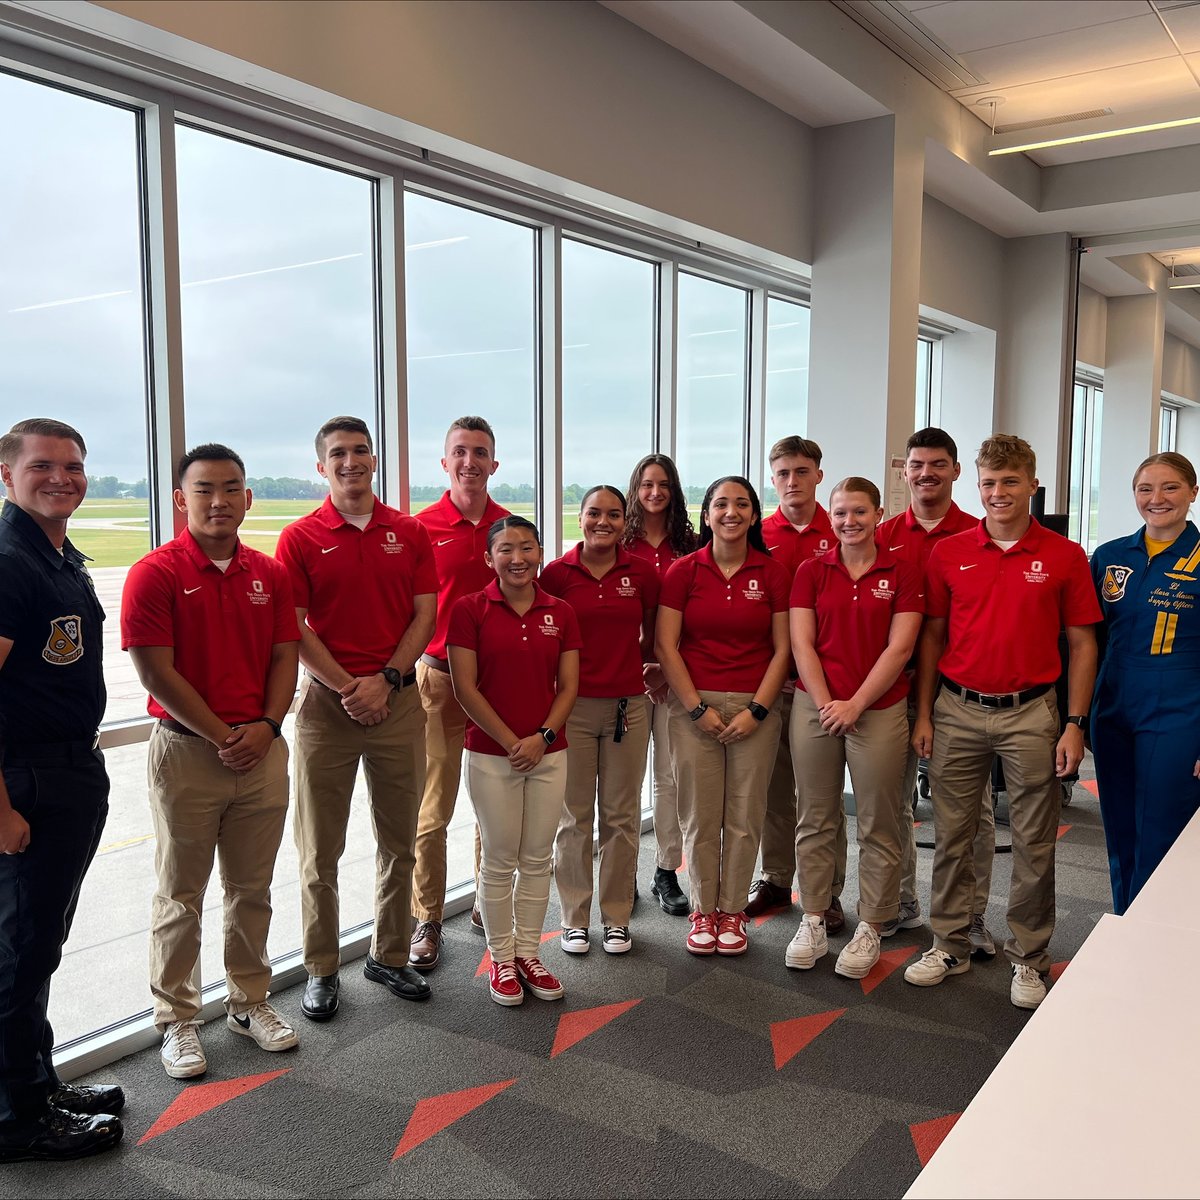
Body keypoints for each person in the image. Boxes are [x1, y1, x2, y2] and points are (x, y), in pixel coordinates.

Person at [122, 444, 301, 1077]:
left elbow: (285, 656)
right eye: (204, 490)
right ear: (181, 499)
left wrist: (268, 727)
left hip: (262, 751)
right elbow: (156, 673)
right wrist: (228, 735)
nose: (219, 501)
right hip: (188, 753)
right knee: (181, 893)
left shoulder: (269, 573)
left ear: (247, 498)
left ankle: (249, 1002)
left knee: (252, 890)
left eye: (231, 489)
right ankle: (177, 1018)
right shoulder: (155, 573)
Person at [905, 435, 1099, 1009]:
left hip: (1032, 713)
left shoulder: (1065, 555)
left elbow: (1083, 644)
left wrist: (1075, 723)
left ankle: (1030, 958)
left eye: (1010, 481)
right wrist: (924, 712)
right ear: (977, 484)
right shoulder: (950, 552)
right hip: (957, 709)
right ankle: (950, 943)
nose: (998, 493)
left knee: (1035, 841)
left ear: (1032, 485)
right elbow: (932, 637)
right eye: (989, 483)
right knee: (952, 836)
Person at [276, 417, 438, 1021]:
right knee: (319, 848)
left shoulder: (409, 531)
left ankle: (388, 955)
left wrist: (387, 679)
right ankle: (321, 968)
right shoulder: (299, 537)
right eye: (339, 453)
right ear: (322, 467)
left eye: (361, 451)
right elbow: (294, 627)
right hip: (328, 707)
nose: (352, 462)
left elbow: (425, 615)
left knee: (400, 840)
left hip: (398, 700)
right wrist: (350, 687)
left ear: (374, 460)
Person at [0, 419, 123, 1162]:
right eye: (42, 466)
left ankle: (36, 1085)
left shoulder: (55, 556)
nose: (61, 478)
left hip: (67, 772)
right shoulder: (9, 562)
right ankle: (15, 1119)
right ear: (7, 475)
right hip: (28, 780)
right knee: (17, 955)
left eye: (73, 466)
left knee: (39, 945)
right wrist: (1, 809)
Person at [786, 478, 923, 977]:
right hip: (816, 705)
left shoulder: (903, 572)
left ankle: (872, 924)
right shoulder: (811, 571)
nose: (849, 521)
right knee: (815, 817)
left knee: (879, 822)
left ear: (878, 514)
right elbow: (802, 644)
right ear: (831, 516)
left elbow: (900, 648)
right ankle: (814, 916)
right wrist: (829, 704)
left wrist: (856, 704)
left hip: (879, 708)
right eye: (841, 512)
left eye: (860, 512)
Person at [447, 517, 581, 1006]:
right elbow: (465, 688)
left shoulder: (560, 611)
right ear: (489, 558)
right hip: (491, 754)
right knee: (500, 860)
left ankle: (529, 953)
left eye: (527, 547)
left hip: (549, 753)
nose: (518, 558)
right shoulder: (469, 609)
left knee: (538, 858)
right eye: (506, 549)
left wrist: (541, 738)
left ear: (541, 552)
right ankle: (502, 958)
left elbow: (568, 686)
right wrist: (512, 742)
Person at [656, 476, 791, 957]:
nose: (730, 512)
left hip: (756, 708)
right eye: (720, 504)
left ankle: (732, 911)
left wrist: (758, 710)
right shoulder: (684, 571)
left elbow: (783, 650)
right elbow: (665, 646)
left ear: (754, 514)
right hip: (694, 707)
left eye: (741, 504)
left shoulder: (773, 573)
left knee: (745, 814)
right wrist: (695, 708)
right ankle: (703, 911)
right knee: (699, 815)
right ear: (707, 514)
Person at [875, 427, 996, 954]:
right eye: (917, 465)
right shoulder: (880, 535)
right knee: (892, 805)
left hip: (958, 695)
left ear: (956, 471)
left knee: (972, 814)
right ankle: (900, 901)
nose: (927, 474)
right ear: (905, 471)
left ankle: (969, 915)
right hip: (890, 692)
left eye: (938, 464)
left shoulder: (978, 534)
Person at [409, 417, 510, 970]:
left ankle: (484, 902)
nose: (470, 461)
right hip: (440, 680)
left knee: (493, 802)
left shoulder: (509, 528)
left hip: (497, 682)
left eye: (480, 452)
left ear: (494, 463)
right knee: (434, 807)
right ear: (445, 462)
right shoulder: (419, 529)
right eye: (460, 452)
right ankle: (426, 917)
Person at [542, 486, 658, 955]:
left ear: (624, 521)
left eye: (613, 514)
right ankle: (574, 918)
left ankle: (616, 918)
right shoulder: (557, 573)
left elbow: (650, 635)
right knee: (573, 816)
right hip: (572, 708)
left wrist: (633, 669)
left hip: (628, 707)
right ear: (580, 518)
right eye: (594, 513)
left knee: (621, 816)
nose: (603, 522)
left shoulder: (642, 573)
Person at [744, 438, 848, 932]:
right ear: (772, 479)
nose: (792, 481)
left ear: (818, 476)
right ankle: (776, 878)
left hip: (822, 689)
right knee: (774, 791)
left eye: (801, 471)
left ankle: (827, 891)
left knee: (822, 799)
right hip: (768, 686)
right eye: (782, 473)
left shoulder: (842, 530)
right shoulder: (758, 534)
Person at [1090, 451, 1200, 913]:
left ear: (1193, 492)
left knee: (1161, 829)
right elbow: (1089, 639)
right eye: (1145, 489)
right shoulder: (1111, 556)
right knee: (1119, 827)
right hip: (1113, 705)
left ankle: (1154, 926)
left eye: (1170, 487)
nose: (1157, 498)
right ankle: (1125, 918)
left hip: (1180, 711)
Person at [622, 453, 696, 917]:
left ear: (674, 491)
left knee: (670, 780)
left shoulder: (690, 545)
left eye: (663, 484)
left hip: (675, 679)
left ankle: (667, 870)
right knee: (625, 782)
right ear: (635, 489)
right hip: (626, 680)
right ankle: (623, 871)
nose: (655, 492)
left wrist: (667, 670)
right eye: (647, 484)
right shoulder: (619, 542)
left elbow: (699, 616)